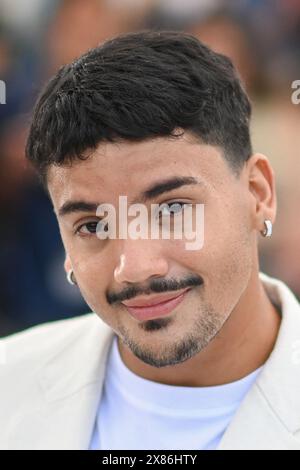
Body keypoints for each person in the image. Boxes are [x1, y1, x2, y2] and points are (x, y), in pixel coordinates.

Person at [1, 30, 300, 450]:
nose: (136, 266)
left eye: (172, 210)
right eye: (94, 226)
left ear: (258, 193)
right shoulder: (9, 384)